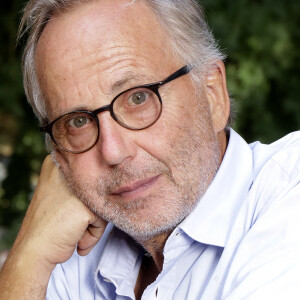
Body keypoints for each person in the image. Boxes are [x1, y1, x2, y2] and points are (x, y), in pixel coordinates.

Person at [0, 0, 299, 299]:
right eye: (78, 121)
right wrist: (28, 258)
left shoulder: (289, 195)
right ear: (58, 155)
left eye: (138, 98)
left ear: (212, 95)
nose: (114, 152)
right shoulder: (66, 247)